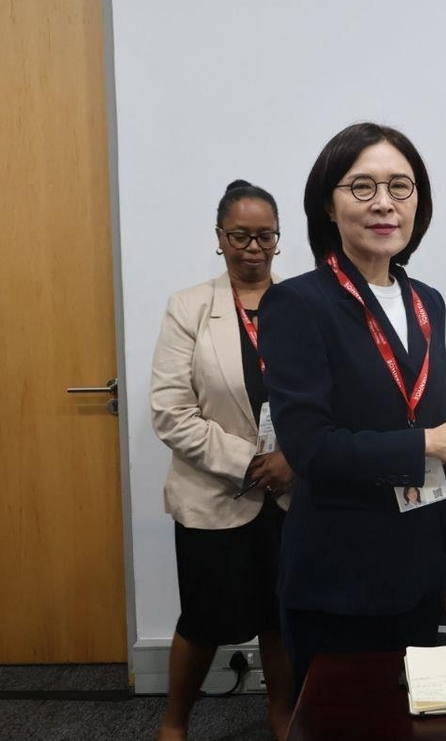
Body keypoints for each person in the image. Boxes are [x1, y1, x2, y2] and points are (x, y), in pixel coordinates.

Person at [257, 123, 446, 692]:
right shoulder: (296, 303)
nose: (384, 203)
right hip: (340, 575)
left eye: (400, 187)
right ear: (328, 205)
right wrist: (430, 443)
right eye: (362, 187)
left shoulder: (427, 302)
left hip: (418, 566)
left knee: (415, 717)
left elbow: (433, 425)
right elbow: (311, 449)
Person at [150, 180, 294, 740]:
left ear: (278, 238)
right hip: (214, 495)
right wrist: (256, 462)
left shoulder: (302, 305)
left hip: (289, 494)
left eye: (265, 236)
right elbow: (170, 412)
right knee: (204, 620)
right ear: (219, 237)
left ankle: (282, 716)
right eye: (240, 236)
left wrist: (293, 460)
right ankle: (174, 723)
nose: (253, 248)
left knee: (281, 617)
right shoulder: (189, 307)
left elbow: (324, 402)